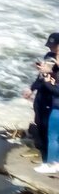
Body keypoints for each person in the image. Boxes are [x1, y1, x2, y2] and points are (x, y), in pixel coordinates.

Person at [29, 32, 59, 174]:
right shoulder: (49, 57)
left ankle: (51, 162)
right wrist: (32, 88)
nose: (51, 48)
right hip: (44, 97)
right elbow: (42, 76)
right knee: (41, 126)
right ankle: (48, 160)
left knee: (52, 133)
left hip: (53, 99)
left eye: (54, 46)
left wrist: (50, 75)